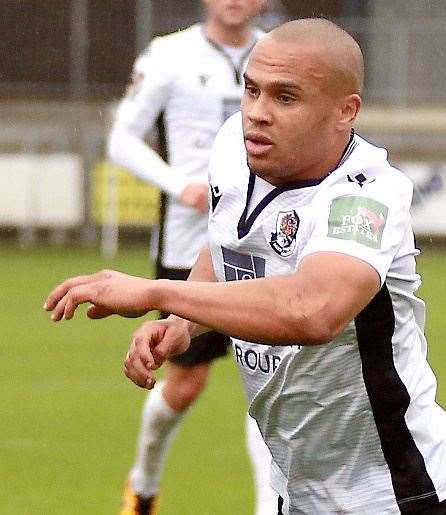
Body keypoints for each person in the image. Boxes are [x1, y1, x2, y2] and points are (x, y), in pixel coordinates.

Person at [46, 19, 446, 515]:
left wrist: (156, 292)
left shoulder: (368, 196)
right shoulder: (234, 145)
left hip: (399, 495)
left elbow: (312, 311)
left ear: (346, 111)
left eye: (285, 98)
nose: (257, 114)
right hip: (297, 494)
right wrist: (183, 324)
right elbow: (227, 243)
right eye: (251, 91)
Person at [106, 1, 277, 514]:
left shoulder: (278, 53)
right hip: (188, 247)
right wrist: (178, 185)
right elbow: (121, 138)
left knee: (269, 385)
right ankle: (144, 483)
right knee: (184, 386)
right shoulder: (169, 55)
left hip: (267, 244)